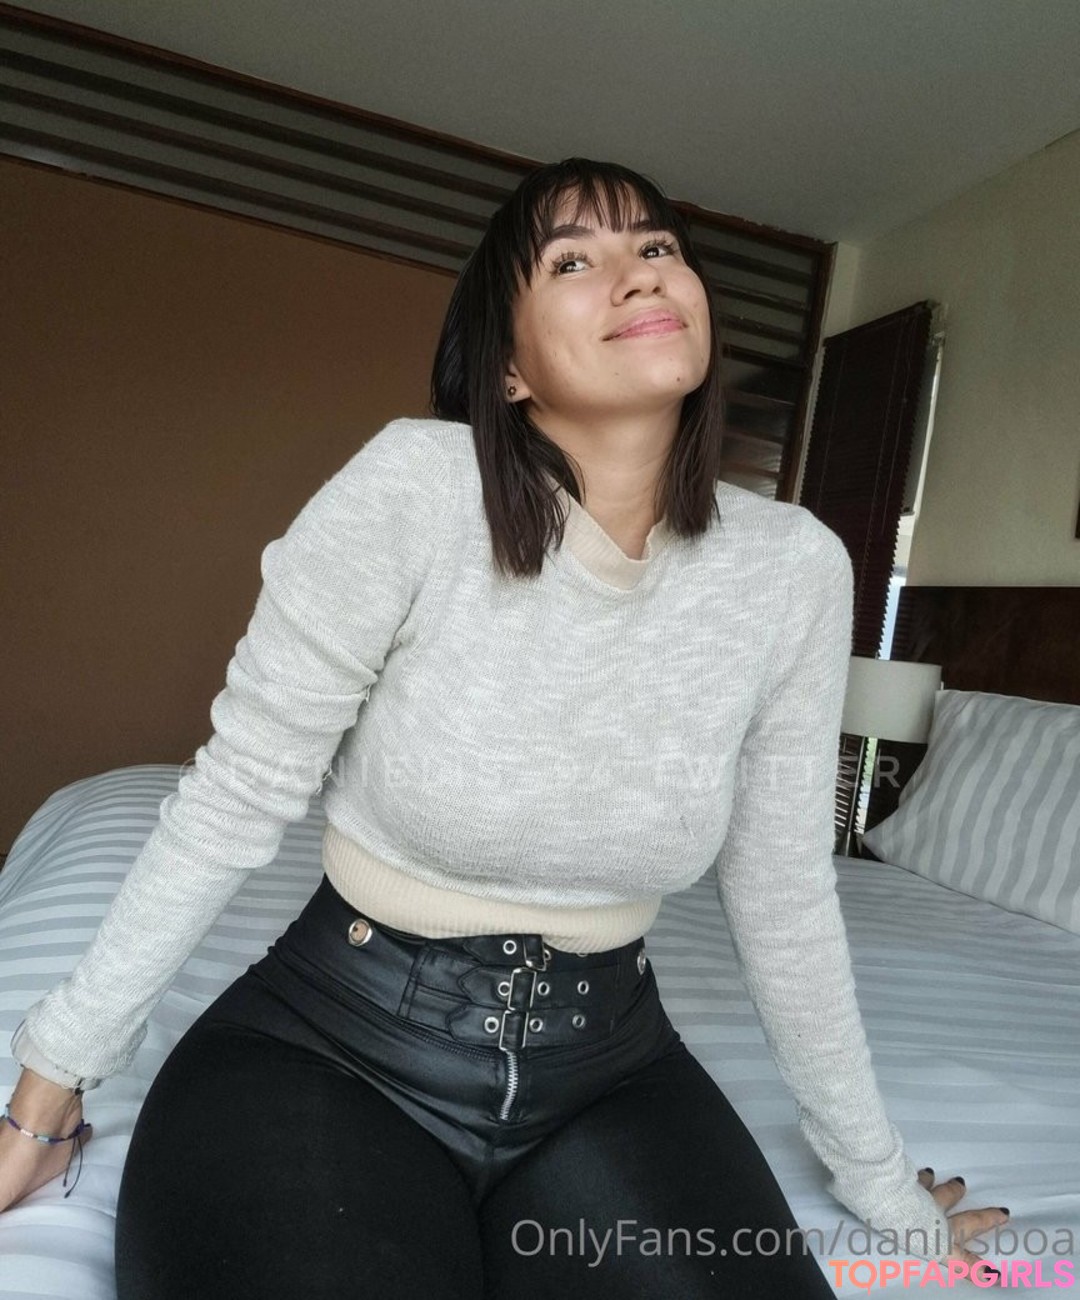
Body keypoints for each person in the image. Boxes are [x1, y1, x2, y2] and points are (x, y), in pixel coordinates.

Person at [0, 157, 1008, 1298]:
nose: (639, 273)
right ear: (509, 368)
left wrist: (879, 1182)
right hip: (330, 1047)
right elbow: (237, 792)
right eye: (574, 261)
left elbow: (784, 892)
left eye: (658, 247)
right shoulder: (416, 488)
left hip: (612, 1069)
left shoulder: (793, 568)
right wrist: (47, 1087)